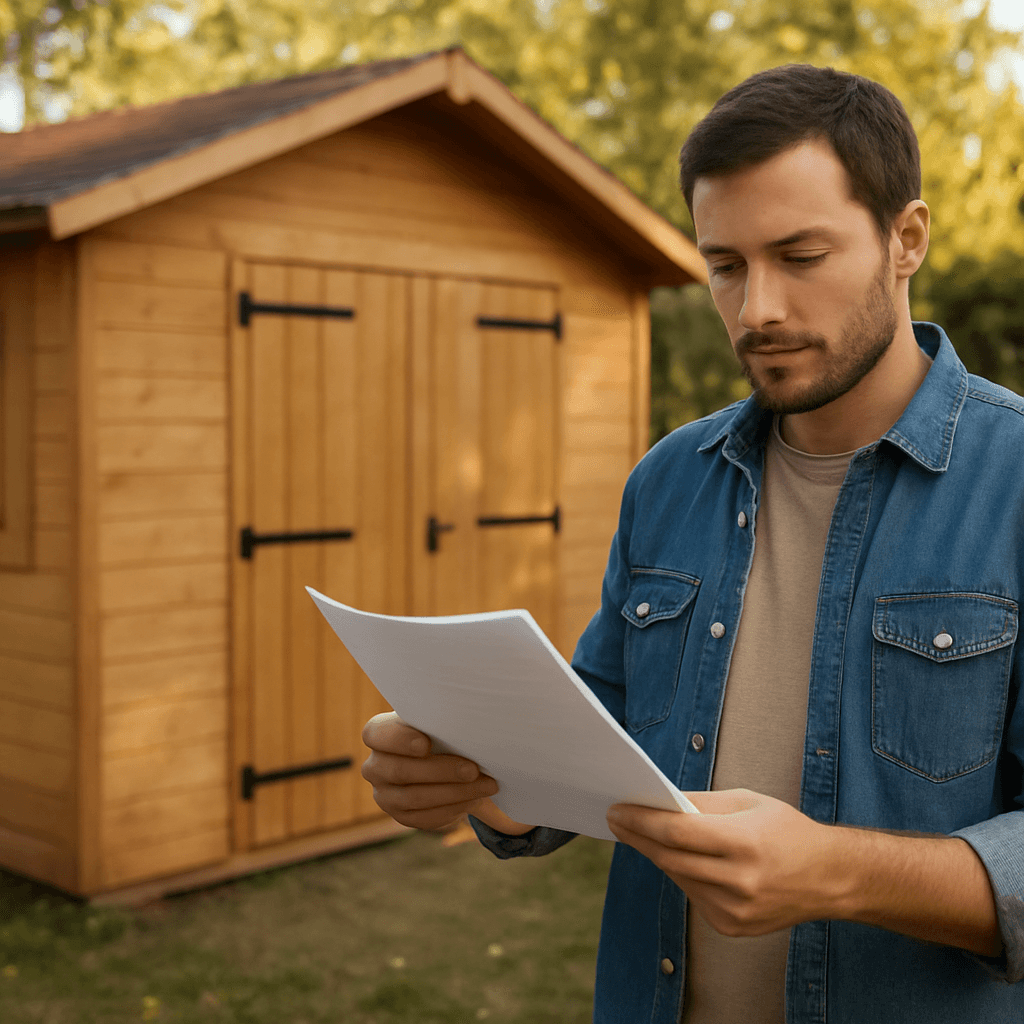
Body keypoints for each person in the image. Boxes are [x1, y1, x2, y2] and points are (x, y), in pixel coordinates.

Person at [360, 64, 1023, 1023]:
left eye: (799, 256)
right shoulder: (668, 479)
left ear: (905, 239)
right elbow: (593, 745)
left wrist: (838, 875)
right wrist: (467, 776)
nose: (756, 310)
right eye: (725, 264)